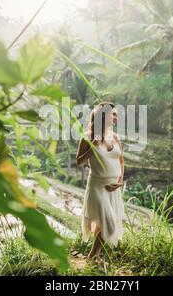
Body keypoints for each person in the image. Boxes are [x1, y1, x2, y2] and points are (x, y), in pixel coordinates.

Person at [75, 102, 125, 260]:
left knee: (104, 224)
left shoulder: (116, 137)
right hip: (97, 187)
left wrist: (120, 181)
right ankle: (91, 257)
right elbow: (79, 161)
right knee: (109, 224)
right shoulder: (88, 137)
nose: (116, 117)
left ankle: (94, 258)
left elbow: (121, 161)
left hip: (113, 188)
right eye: (114, 114)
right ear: (102, 116)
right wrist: (93, 147)